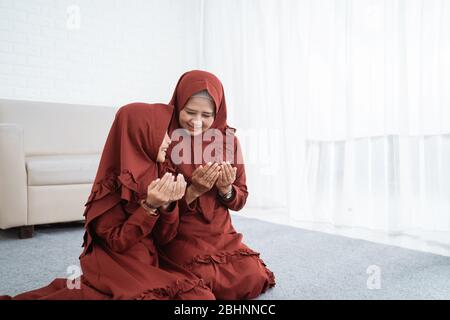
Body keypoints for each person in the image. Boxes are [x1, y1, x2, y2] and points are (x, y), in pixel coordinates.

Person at [1, 102, 215, 300]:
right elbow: (117, 242)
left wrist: (168, 205)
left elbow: (165, 237)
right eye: (164, 133)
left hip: (148, 260)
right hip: (116, 263)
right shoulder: (111, 185)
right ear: (142, 133)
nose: (169, 140)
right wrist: (149, 206)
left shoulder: (160, 172)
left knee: (201, 296)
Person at [159, 70, 276, 300]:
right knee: (199, 281)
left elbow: (240, 198)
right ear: (178, 105)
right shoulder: (165, 139)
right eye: (190, 112)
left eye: (206, 115)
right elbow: (159, 208)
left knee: (251, 276)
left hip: (220, 232)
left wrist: (226, 190)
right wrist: (194, 191)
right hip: (180, 233)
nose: (197, 121)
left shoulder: (229, 141)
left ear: (218, 111)